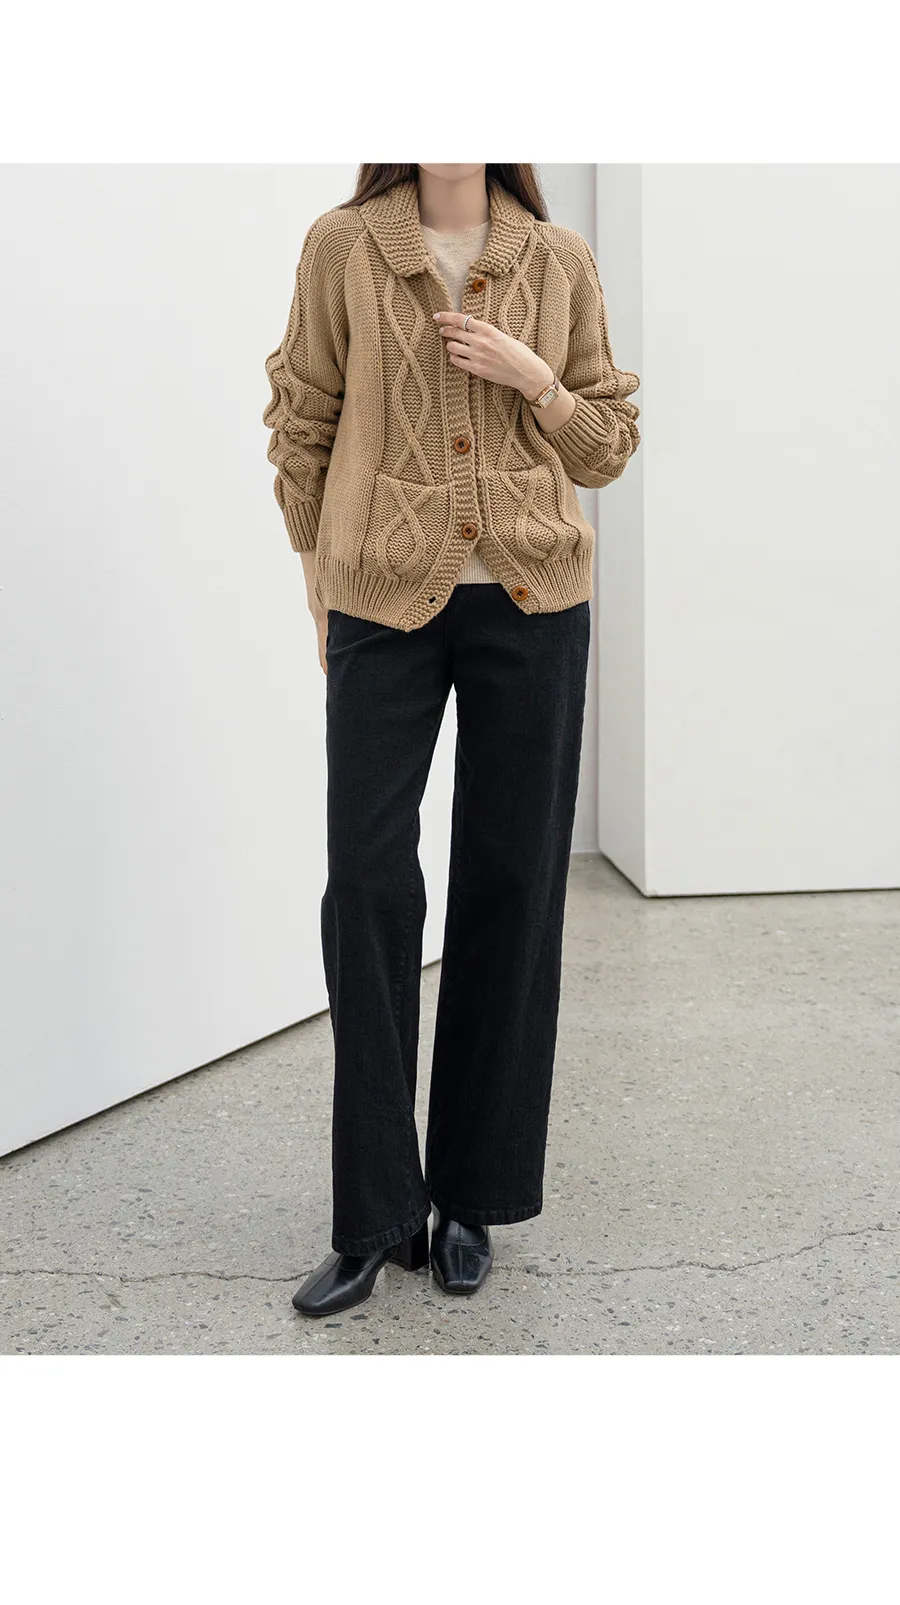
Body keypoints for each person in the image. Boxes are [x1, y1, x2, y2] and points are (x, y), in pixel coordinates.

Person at [262, 163, 641, 1317]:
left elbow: (607, 446)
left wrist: (537, 382)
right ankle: (377, 1211)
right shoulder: (342, 247)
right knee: (368, 883)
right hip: (379, 601)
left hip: (535, 605)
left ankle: (473, 1195)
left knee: (511, 884)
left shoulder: (558, 259)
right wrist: (320, 587)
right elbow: (301, 420)